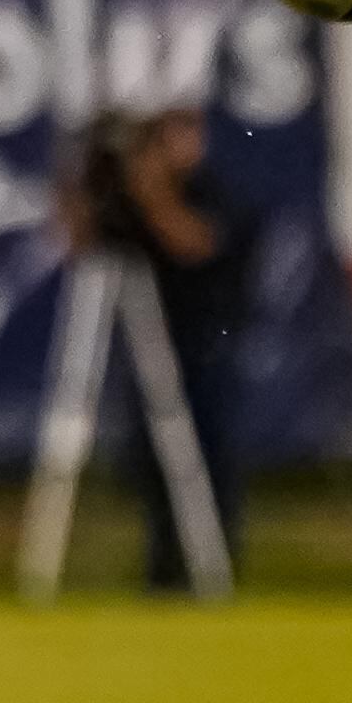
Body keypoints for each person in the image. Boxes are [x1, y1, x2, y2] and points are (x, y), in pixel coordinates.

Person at [64, 107, 251, 591]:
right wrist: (81, 185)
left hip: (204, 346)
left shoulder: (210, 189)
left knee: (204, 462)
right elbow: (83, 242)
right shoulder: (131, 200)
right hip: (152, 349)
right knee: (150, 465)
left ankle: (214, 568)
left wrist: (152, 193)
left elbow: (197, 243)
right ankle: (163, 574)